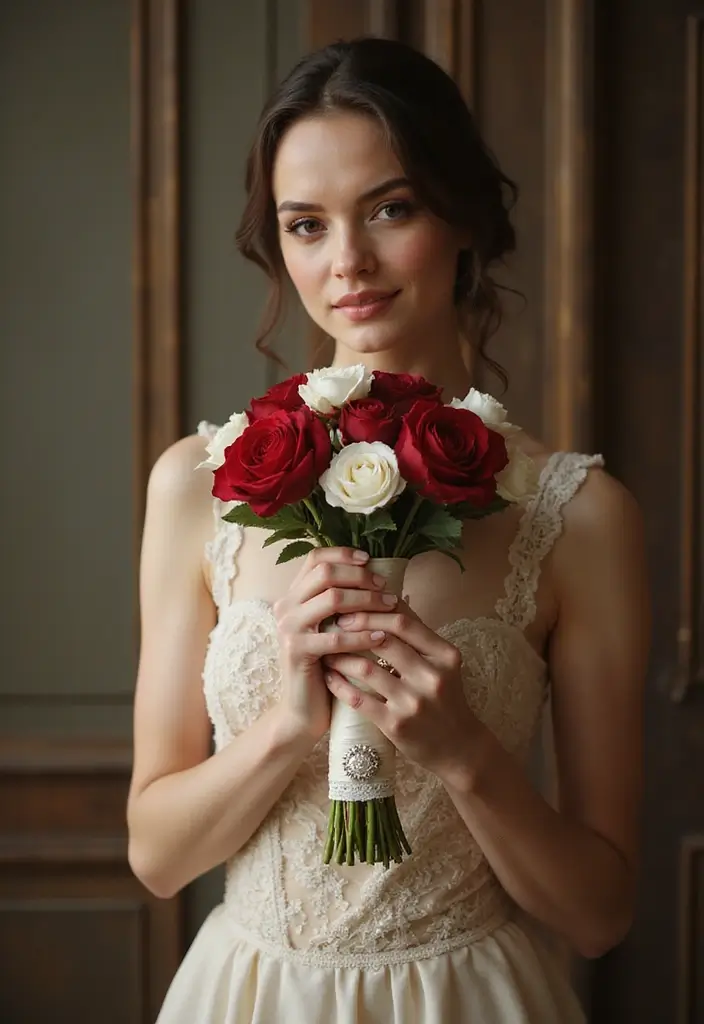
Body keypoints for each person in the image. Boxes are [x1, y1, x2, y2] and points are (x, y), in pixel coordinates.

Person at [127, 37, 649, 1023]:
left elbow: (599, 915)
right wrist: (285, 727)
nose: (347, 263)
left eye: (390, 209)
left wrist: (464, 753)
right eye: (306, 225)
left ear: (461, 215)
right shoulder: (195, 487)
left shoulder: (578, 517)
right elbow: (156, 856)